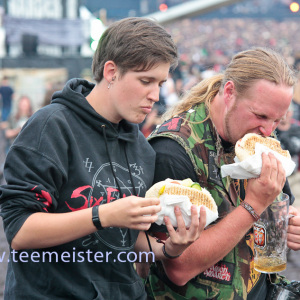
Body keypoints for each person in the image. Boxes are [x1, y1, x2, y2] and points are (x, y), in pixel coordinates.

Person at [0, 17, 206, 300]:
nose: (155, 95)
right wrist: (105, 214)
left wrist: (170, 248)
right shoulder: (51, 126)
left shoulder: (141, 147)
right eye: (146, 81)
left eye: (160, 83)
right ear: (111, 71)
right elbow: (20, 231)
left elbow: (126, 239)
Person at [142, 47, 300, 299]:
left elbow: (283, 203)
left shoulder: (258, 136)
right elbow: (179, 267)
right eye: (260, 115)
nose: (269, 131)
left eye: (278, 121)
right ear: (229, 93)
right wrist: (253, 206)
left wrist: (291, 220)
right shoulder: (173, 150)